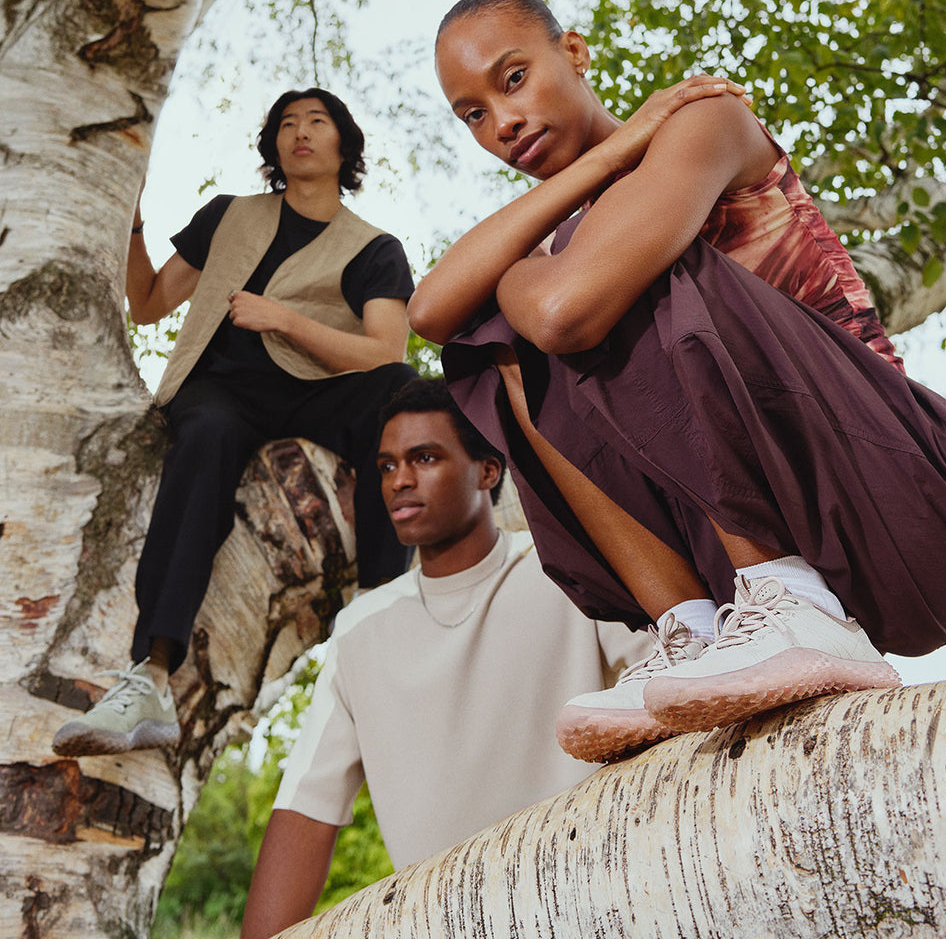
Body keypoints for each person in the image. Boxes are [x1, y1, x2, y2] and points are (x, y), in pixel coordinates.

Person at [410, 0, 946, 763]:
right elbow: (429, 311)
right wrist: (606, 159)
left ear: (574, 52)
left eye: (513, 79)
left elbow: (567, 311)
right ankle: (690, 631)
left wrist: (526, 272)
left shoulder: (706, 119)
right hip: (738, 563)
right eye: (473, 114)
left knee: (605, 274)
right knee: (503, 346)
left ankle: (790, 598)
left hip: (902, 501)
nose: (502, 122)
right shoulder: (599, 197)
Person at [52, 88, 419, 758]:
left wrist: (285, 320)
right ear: (273, 144)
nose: (299, 131)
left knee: (403, 394)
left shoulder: (375, 248)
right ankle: (150, 676)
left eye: (316, 121)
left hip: (316, 390)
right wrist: (132, 218)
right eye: (286, 122)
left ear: (345, 145)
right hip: (220, 390)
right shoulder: (229, 214)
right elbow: (148, 303)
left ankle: (381, 609)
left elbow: (383, 353)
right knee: (208, 434)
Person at [238, 378, 648, 939]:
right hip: (444, 923)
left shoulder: (565, 569)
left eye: (424, 458)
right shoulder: (361, 629)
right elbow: (305, 807)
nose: (400, 480)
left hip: (596, 900)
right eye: (386, 466)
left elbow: (670, 692)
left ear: (488, 471)